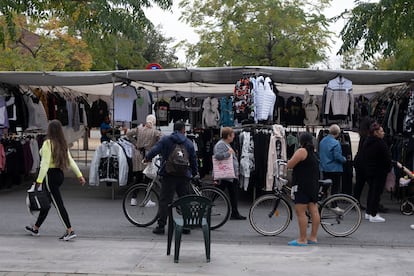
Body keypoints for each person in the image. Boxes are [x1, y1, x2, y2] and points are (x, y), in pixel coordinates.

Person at [25, 120, 86, 240]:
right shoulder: (62, 143)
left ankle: (70, 230)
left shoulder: (48, 143)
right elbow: (70, 161)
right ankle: (36, 228)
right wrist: (80, 175)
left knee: (58, 204)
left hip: (50, 176)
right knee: (46, 203)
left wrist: (39, 180)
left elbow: (45, 164)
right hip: (59, 175)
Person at [144, 121, 198, 235]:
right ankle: (186, 226)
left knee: (164, 201)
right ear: (183, 130)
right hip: (183, 175)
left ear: (174, 129)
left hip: (169, 175)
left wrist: (147, 158)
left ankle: (161, 226)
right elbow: (193, 159)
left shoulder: (166, 140)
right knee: (184, 200)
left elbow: (154, 150)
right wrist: (194, 172)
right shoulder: (188, 142)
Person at [287, 132, 320, 246]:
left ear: (300, 141)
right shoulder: (313, 152)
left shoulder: (302, 151)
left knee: (300, 212)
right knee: (314, 211)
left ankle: (302, 239)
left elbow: (290, 165)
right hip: (313, 185)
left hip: (302, 185)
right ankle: (313, 237)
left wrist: (287, 162)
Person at [126, 114, 161, 205]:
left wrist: (135, 143)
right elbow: (162, 140)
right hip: (148, 156)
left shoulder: (139, 129)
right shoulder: (155, 132)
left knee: (138, 177)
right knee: (148, 178)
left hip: (138, 154)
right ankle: (147, 199)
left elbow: (128, 134)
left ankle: (133, 199)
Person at [213, 127, 246, 220]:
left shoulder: (226, 144)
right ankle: (206, 206)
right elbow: (217, 156)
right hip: (225, 175)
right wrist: (228, 153)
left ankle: (235, 212)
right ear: (228, 136)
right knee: (219, 192)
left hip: (229, 175)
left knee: (233, 193)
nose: (234, 136)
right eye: (232, 135)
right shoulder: (221, 145)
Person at [363, 122, 391, 223]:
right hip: (379, 171)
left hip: (370, 171)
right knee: (376, 193)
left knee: (371, 192)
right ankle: (373, 214)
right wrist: (388, 168)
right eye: (381, 131)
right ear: (376, 132)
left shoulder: (367, 142)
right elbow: (387, 158)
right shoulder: (380, 143)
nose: (383, 133)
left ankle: (368, 212)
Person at [319, 124, 346, 195]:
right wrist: (344, 159)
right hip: (335, 169)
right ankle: (334, 204)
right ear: (338, 133)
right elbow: (337, 156)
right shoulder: (336, 143)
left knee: (325, 187)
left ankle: (320, 200)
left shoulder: (322, 141)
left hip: (324, 168)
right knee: (335, 188)